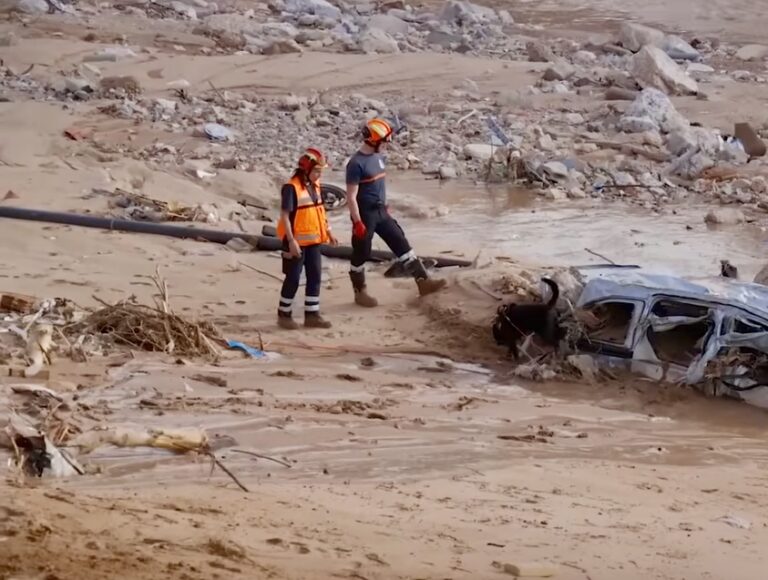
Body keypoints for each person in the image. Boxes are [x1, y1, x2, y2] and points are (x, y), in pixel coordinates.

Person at [345, 117, 446, 307]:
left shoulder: (379, 157)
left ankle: (424, 283)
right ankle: (360, 293)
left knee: (401, 242)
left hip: (381, 211)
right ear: (373, 141)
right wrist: (357, 222)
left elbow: (379, 185)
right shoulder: (355, 164)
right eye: (384, 142)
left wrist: (385, 204)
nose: (386, 146)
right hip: (364, 215)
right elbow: (351, 197)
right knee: (361, 253)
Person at [276, 147, 338, 329]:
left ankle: (312, 315)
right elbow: (285, 216)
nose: (319, 175)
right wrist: (292, 241)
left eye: (320, 171)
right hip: (295, 243)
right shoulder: (291, 188)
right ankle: (284, 314)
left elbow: (319, 211)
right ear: (306, 170)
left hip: (314, 242)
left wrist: (329, 232)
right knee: (293, 278)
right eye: (317, 171)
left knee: (315, 276)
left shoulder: (315, 186)